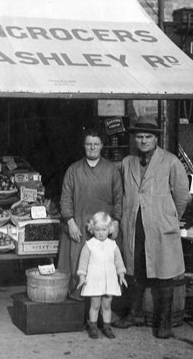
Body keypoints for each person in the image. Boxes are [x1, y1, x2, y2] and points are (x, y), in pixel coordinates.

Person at [112, 115, 190, 339]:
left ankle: (164, 322)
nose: (143, 140)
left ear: (156, 139)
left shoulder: (171, 161)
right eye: (139, 137)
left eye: (148, 136)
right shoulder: (127, 162)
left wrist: (170, 217)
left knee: (164, 273)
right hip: (134, 224)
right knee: (134, 269)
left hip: (160, 226)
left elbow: (182, 196)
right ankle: (134, 314)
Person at [58, 128, 123, 301]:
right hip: (79, 223)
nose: (92, 148)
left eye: (95, 144)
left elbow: (119, 198)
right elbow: (65, 198)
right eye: (88, 144)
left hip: (103, 225)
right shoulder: (74, 170)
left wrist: (115, 222)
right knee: (78, 264)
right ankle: (80, 307)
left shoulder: (111, 170)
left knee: (103, 266)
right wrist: (70, 221)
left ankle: (102, 312)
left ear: (102, 145)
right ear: (84, 146)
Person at [77, 212, 127, 339]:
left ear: (109, 229)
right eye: (97, 230)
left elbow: (118, 261)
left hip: (109, 280)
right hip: (95, 280)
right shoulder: (89, 245)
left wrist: (121, 274)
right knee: (95, 305)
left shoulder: (112, 245)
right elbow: (83, 263)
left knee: (107, 305)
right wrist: (82, 277)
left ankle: (107, 327)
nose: (101, 233)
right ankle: (93, 327)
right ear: (92, 229)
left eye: (104, 230)